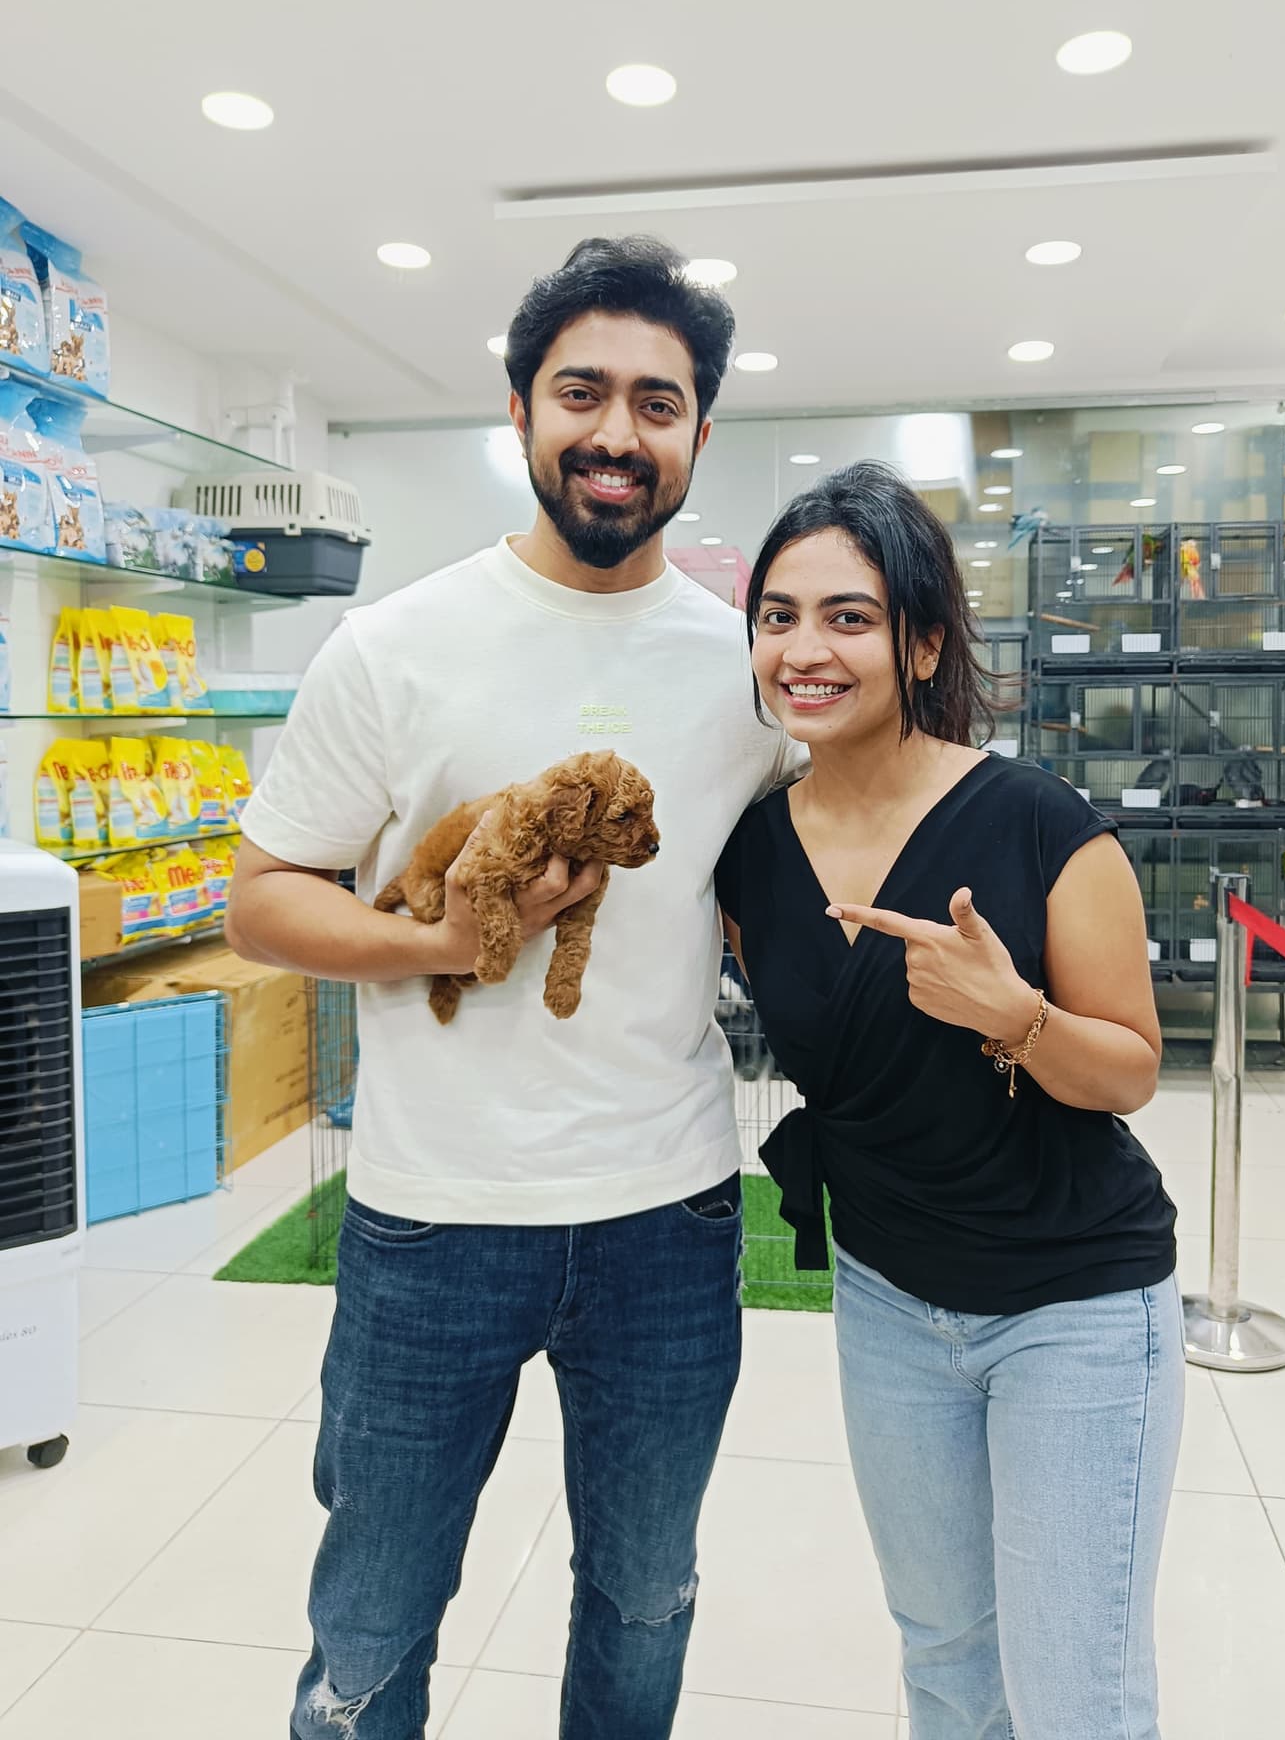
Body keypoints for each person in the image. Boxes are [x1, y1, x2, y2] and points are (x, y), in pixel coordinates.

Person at [226, 236, 798, 1740]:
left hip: (669, 1216)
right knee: (371, 1627)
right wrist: (450, 945)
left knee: (644, 1601)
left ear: (699, 434)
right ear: (521, 412)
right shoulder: (393, 645)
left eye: (657, 404)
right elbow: (264, 898)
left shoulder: (746, 669)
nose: (617, 434)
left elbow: (781, 888)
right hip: (434, 1217)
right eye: (581, 393)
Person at [715, 462, 1183, 1740]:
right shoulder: (752, 850)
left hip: (1074, 1304)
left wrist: (1016, 1017)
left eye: (849, 618)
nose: (805, 649)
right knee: (945, 1659)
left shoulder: (1039, 824)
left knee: (1075, 1690)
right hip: (886, 1300)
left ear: (923, 645)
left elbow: (1132, 1069)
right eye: (779, 616)